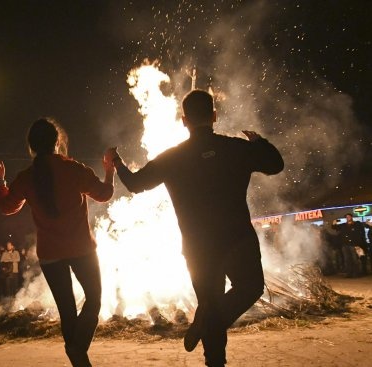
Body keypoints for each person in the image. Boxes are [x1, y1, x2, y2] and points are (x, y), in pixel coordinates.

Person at [106, 89, 284, 367]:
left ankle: (212, 345)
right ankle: (208, 322)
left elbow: (135, 184)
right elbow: (276, 164)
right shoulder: (236, 148)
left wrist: (117, 163)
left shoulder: (172, 157)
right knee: (250, 287)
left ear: (183, 119)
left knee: (210, 303)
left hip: (198, 247)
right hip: (238, 239)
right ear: (214, 116)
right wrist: (259, 142)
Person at [0, 117, 115, 367]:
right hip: (82, 249)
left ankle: (77, 356)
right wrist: (110, 170)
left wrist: (0, 181)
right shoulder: (73, 169)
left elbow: (7, 207)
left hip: (50, 254)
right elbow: (104, 194)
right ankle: (78, 351)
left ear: (31, 147)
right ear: (57, 142)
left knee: (67, 310)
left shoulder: (27, 177)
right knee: (94, 300)